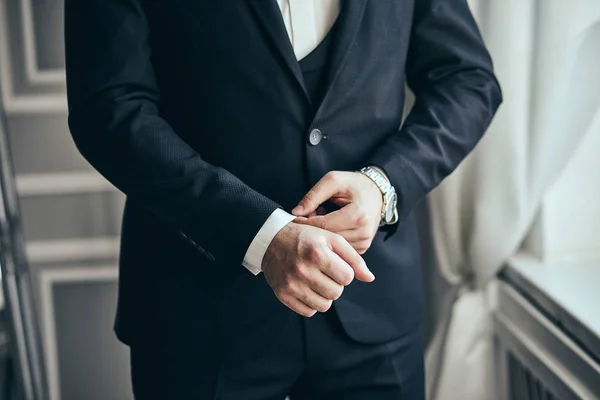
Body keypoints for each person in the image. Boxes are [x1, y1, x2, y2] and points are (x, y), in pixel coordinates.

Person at [64, 0, 501, 398]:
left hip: (370, 307)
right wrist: (260, 233)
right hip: (196, 317)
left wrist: (383, 185)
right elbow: (110, 108)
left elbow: (467, 79)